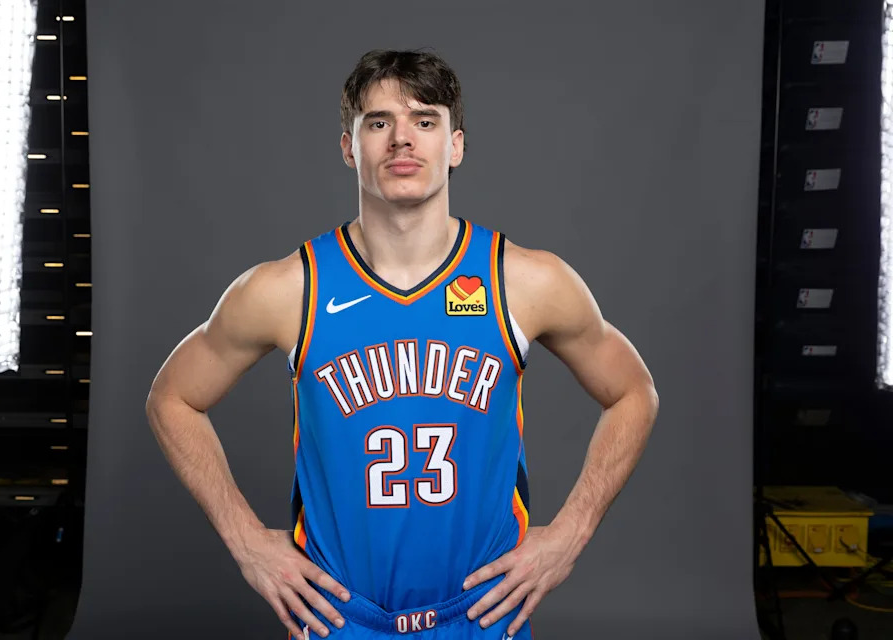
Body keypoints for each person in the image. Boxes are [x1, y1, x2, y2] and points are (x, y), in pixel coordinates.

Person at [145, 48, 659, 640]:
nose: (401, 141)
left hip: (483, 616)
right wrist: (245, 541)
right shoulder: (291, 289)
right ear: (349, 147)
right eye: (378, 122)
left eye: (425, 120)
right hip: (340, 617)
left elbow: (633, 392)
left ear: (456, 145)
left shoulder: (521, 280)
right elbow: (172, 399)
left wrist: (571, 533)